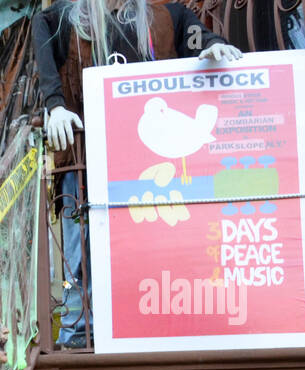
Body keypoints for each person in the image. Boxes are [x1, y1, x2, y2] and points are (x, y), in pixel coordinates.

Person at [32, 1, 241, 347]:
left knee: (147, 241)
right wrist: (54, 105)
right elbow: (43, 44)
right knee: (79, 248)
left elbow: (194, 33)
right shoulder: (64, 18)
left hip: (145, 160)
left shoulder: (164, 15)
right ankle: (78, 333)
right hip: (85, 157)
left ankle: (150, 325)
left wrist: (210, 44)